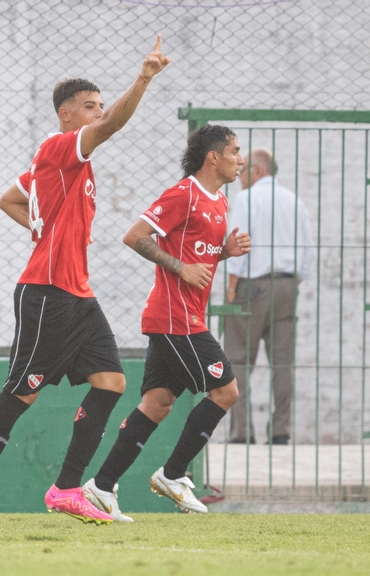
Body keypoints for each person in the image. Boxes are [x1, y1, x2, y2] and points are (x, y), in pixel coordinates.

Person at [0, 36, 170, 530]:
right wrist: (144, 77)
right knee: (21, 393)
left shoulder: (65, 163)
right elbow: (111, 127)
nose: (99, 112)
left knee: (111, 382)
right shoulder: (62, 146)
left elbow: (9, 199)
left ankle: (66, 489)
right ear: (67, 115)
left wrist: (40, 226)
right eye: (90, 106)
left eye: (100, 105)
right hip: (46, 292)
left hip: (78, 294)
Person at [82, 125, 250, 521]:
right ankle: (173, 475)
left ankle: (101, 486)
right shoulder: (184, 194)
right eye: (235, 151)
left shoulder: (220, 202)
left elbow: (196, 256)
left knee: (157, 404)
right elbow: (135, 236)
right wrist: (180, 268)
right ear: (213, 157)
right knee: (226, 392)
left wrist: (222, 254)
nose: (241, 160)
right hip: (177, 319)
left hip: (179, 318)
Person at [224, 147, 315, 445]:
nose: (239, 176)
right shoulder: (295, 201)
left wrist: (231, 287)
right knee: (282, 362)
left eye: (243, 170)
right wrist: (291, 283)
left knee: (238, 358)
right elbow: (308, 253)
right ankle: (280, 431)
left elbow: (238, 245)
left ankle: (242, 432)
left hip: (252, 285)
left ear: (258, 171)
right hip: (287, 286)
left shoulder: (248, 199)